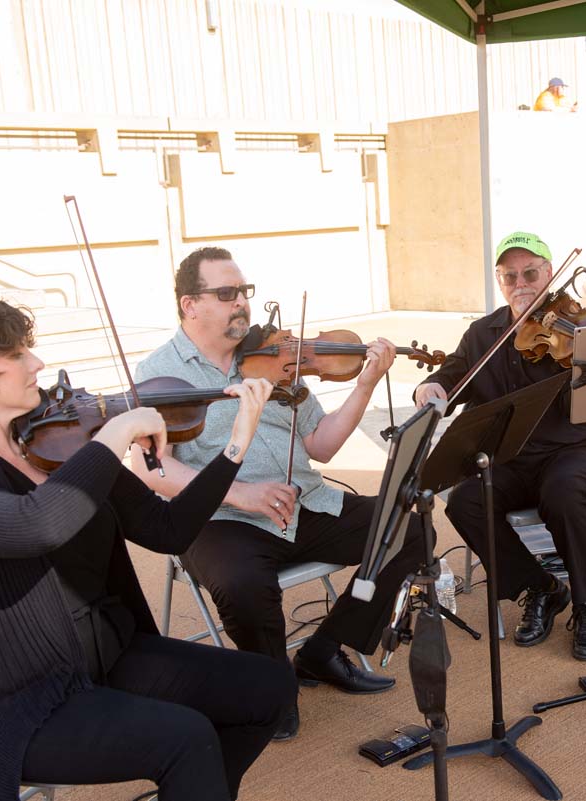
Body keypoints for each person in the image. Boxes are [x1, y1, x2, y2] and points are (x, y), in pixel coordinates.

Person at [0, 293, 294, 801]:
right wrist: (118, 433)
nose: (37, 363)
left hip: (110, 654)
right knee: (185, 738)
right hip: (24, 696)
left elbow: (165, 530)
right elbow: (36, 526)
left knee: (270, 688)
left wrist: (235, 446)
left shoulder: (59, 444)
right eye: (17, 353)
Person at [133, 247, 428, 732]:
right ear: (189, 304)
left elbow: (323, 444)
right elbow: (151, 469)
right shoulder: (159, 374)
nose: (242, 304)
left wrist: (366, 385)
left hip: (303, 503)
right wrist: (238, 494)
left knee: (409, 524)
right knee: (241, 584)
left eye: (244, 293)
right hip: (220, 521)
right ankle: (272, 686)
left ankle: (323, 649)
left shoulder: (277, 356)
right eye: (226, 294)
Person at [414, 232, 586, 661]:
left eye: (530, 273)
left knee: (564, 492)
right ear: (500, 283)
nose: (520, 283)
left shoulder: (580, 330)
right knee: (464, 501)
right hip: (508, 459)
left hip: (571, 451)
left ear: (550, 272)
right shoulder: (483, 335)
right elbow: (450, 375)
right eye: (510, 276)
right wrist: (430, 386)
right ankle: (539, 587)